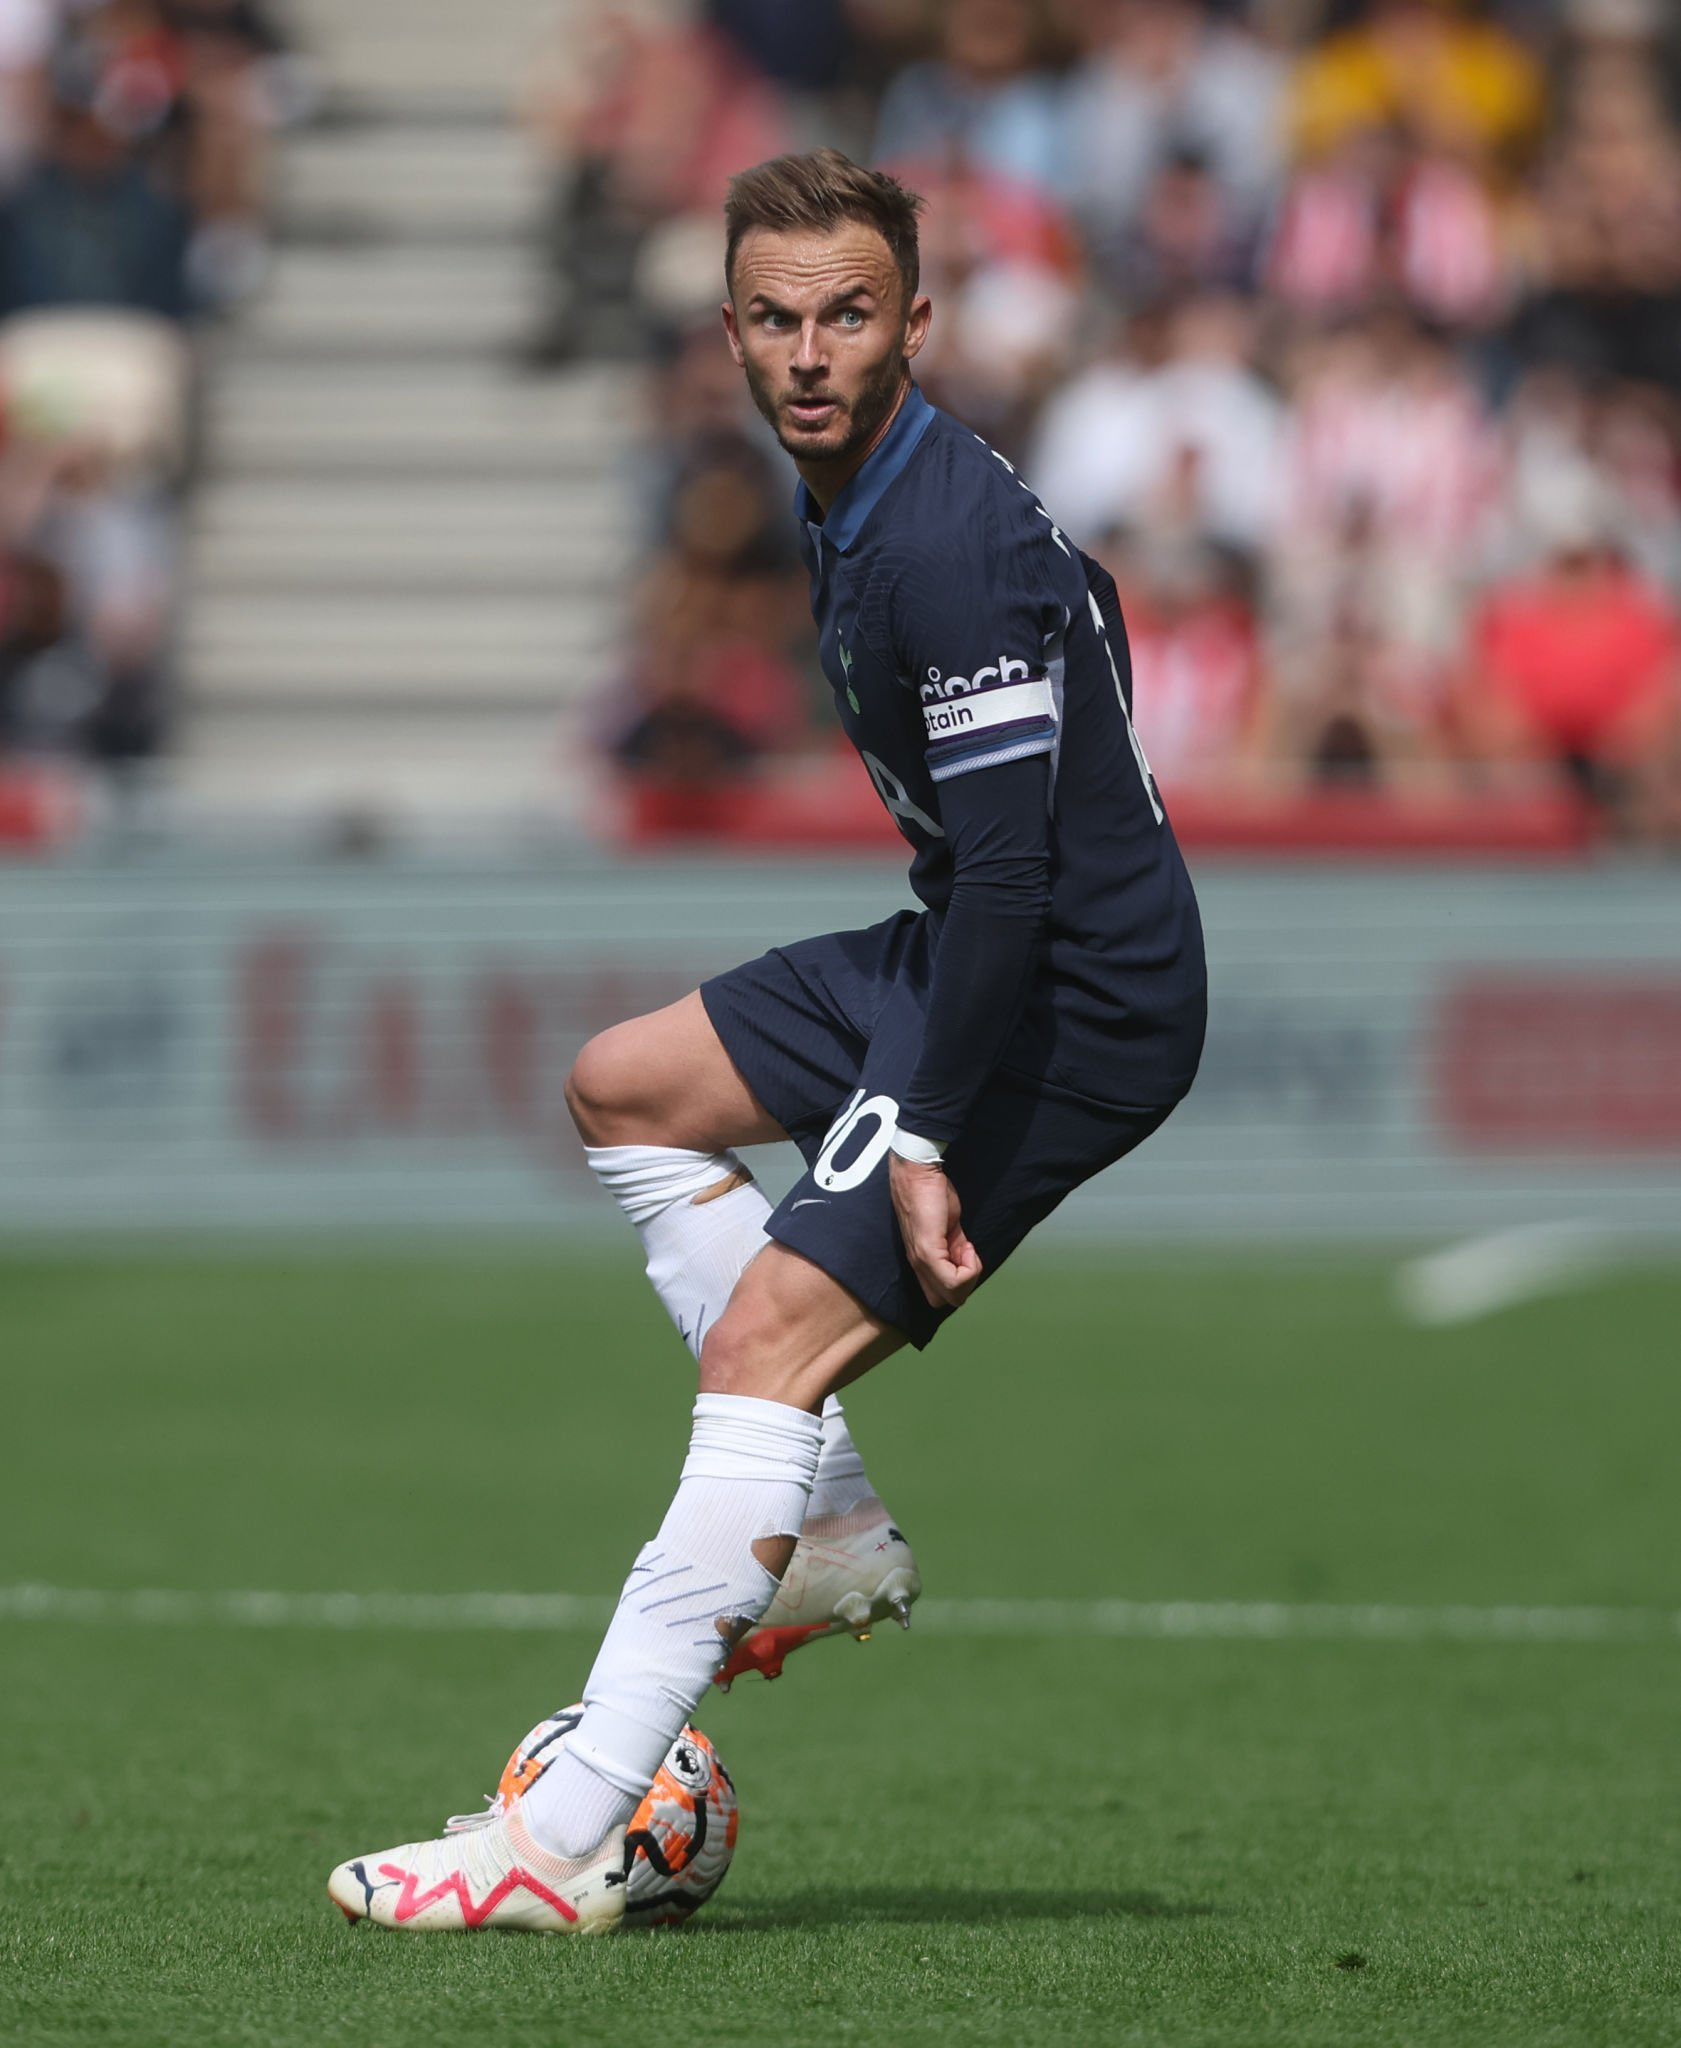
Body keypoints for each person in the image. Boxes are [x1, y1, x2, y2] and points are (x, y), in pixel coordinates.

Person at [327, 148, 1207, 1935]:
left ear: (915, 326)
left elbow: (1029, 866)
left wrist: (941, 1120)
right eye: (779, 317)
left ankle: (556, 1841)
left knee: (761, 1345)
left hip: (1060, 993)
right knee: (625, 1086)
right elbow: (1090, 617)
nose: (811, 349)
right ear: (732, 328)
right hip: (970, 939)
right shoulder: (871, 487)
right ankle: (828, 1529)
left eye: (850, 315)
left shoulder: (940, 537)